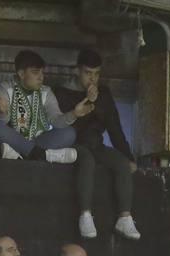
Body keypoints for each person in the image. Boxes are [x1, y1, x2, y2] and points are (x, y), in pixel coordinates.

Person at [52, 48, 139, 240]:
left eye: (97, 74)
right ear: (77, 71)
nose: (92, 79)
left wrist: (128, 157)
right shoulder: (61, 92)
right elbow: (64, 126)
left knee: (122, 164)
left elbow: (114, 128)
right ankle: (85, 214)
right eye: (88, 73)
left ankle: (125, 217)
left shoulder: (104, 94)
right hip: (72, 144)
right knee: (87, 160)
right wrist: (87, 101)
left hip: (96, 144)